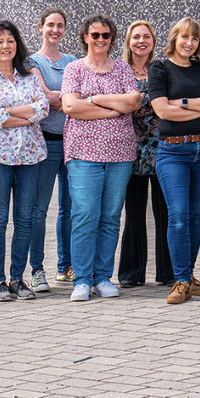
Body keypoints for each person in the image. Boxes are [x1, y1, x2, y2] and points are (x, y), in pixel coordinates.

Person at [60, 15, 143, 301]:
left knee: (110, 216)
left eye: (105, 35)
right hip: (83, 153)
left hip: (120, 153)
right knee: (85, 215)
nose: (100, 40)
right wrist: (113, 108)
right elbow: (70, 106)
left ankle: (102, 277)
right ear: (85, 37)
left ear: (112, 39)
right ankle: (82, 279)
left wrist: (94, 99)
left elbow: (133, 101)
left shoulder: (121, 68)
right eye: (95, 35)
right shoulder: (74, 68)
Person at [147, 17, 200, 305]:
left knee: (195, 215)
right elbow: (162, 112)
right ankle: (180, 280)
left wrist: (180, 103)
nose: (189, 43)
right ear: (174, 38)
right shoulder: (160, 68)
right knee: (178, 215)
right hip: (173, 152)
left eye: (194, 39)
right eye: (184, 37)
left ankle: (189, 276)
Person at [0, 19, 51, 302]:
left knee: (24, 219)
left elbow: (43, 108)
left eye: (10, 40)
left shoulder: (30, 77)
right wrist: (26, 114)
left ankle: (17, 279)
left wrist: (8, 111)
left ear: (17, 45)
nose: (5, 46)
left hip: (30, 155)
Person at [117, 20, 171, 287]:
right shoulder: (119, 70)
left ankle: (168, 273)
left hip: (163, 149)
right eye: (136, 37)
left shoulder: (163, 69)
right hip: (131, 149)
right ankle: (131, 274)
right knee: (134, 212)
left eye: (146, 37)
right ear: (129, 42)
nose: (141, 41)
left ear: (153, 41)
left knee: (166, 212)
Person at [25, 8, 73, 294]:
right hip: (45, 143)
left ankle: (65, 267)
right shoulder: (32, 62)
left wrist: (63, 99)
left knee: (71, 208)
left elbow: (71, 98)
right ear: (41, 27)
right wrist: (68, 100)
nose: (55, 30)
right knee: (39, 208)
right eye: (50, 25)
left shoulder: (72, 62)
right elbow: (43, 97)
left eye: (60, 25)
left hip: (74, 142)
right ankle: (36, 270)